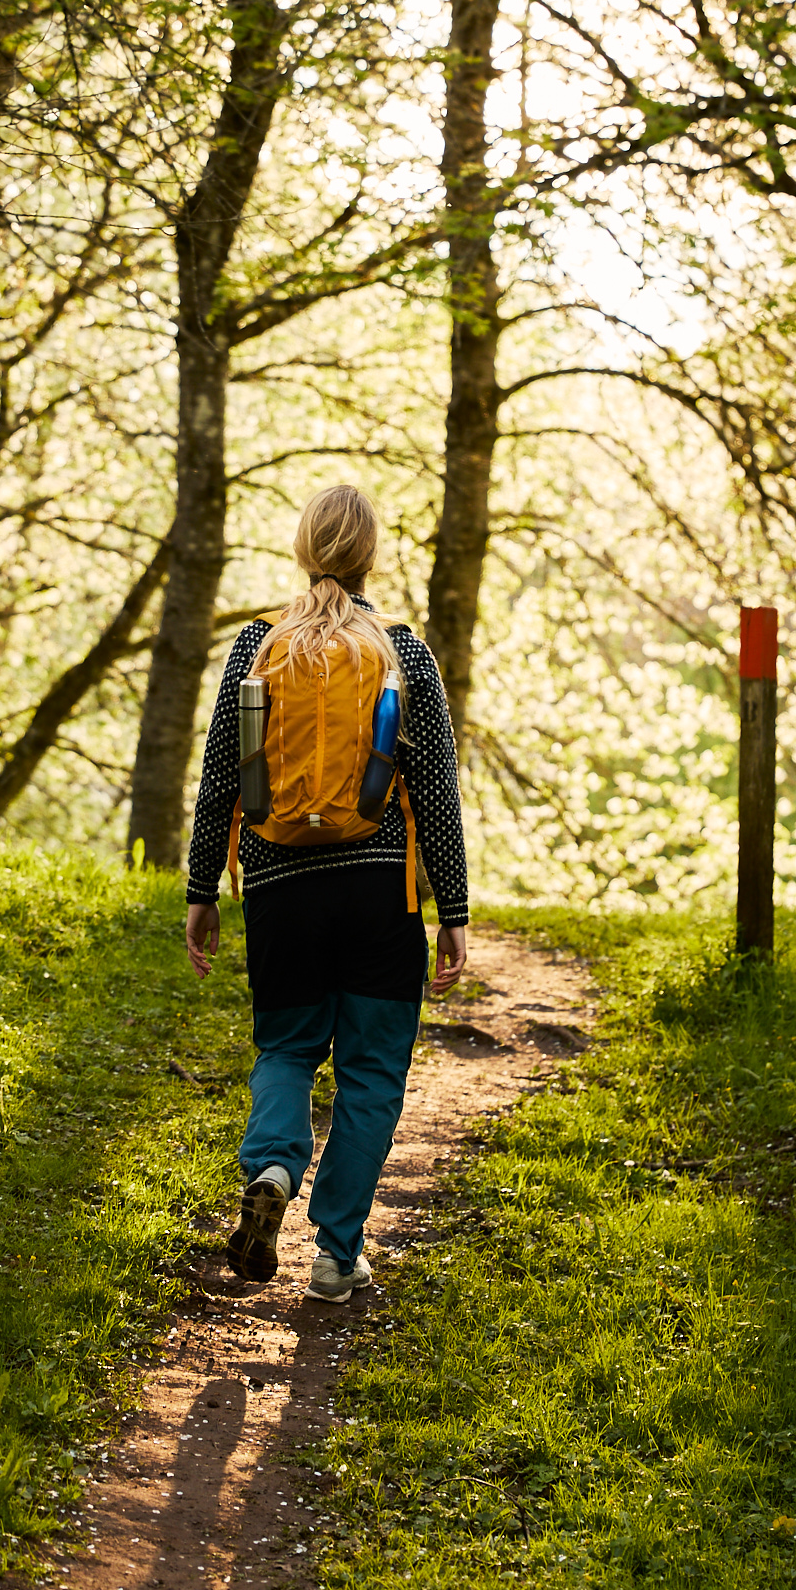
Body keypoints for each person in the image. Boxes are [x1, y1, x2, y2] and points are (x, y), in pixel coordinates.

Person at [183, 483, 469, 1303]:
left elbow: (219, 782)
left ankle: (273, 1161)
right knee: (371, 1074)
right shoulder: (402, 651)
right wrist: (453, 910)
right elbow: (437, 794)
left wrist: (203, 888)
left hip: (279, 887)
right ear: (370, 555)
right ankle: (336, 1256)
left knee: (286, 1049)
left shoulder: (253, 647)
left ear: (303, 549)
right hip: (379, 895)